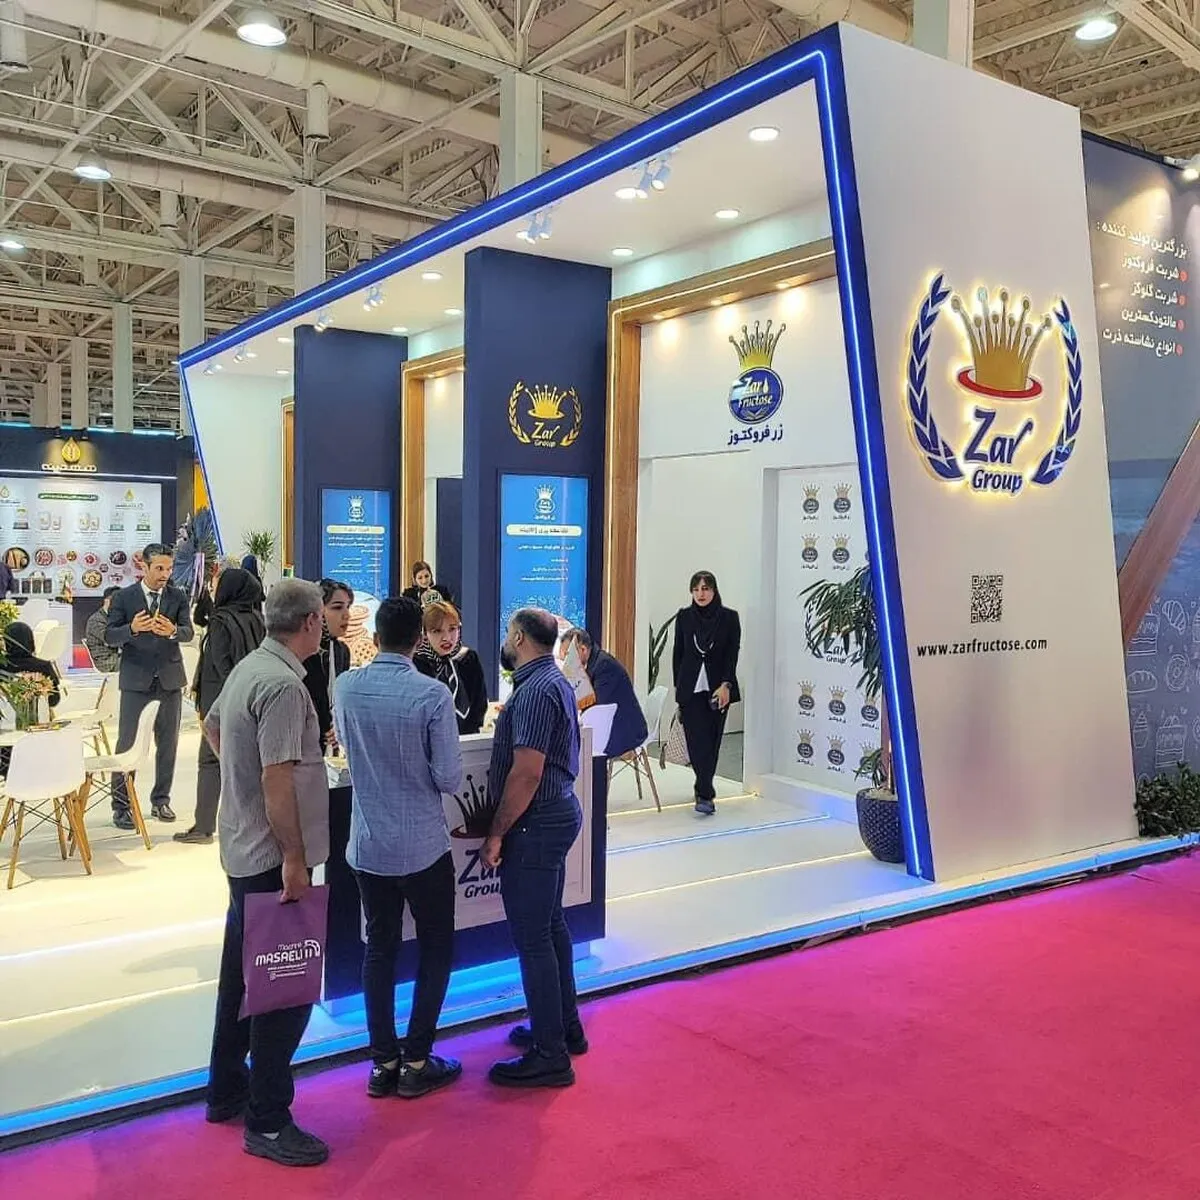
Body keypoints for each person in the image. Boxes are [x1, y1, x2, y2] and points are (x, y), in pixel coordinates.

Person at [203, 578, 330, 1168]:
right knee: (284, 991)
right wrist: (294, 858)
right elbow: (278, 779)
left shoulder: (249, 669)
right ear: (310, 623)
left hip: (242, 850)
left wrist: (240, 782)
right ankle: (269, 1120)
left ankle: (227, 1089)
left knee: (240, 979)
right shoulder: (281, 685)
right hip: (271, 862)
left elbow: (211, 725)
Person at [333, 596, 464, 1100]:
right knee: (436, 947)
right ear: (417, 640)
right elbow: (449, 777)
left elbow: (347, 750)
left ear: (376, 637)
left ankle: (383, 1061)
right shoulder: (431, 695)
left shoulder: (347, 687)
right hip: (423, 844)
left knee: (379, 948)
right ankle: (417, 1059)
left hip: (369, 845)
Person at [482, 608, 586, 1089]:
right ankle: (562, 1027)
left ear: (520, 638)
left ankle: (550, 1053)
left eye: (509, 633)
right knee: (550, 926)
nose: (506, 640)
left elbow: (526, 773)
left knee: (534, 938)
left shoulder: (535, 690)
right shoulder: (551, 682)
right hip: (553, 815)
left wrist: (497, 832)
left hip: (536, 823)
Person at [105, 542, 195, 828]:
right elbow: (109, 636)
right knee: (127, 743)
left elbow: (188, 632)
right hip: (136, 680)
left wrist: (173, 631)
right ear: (143, 566)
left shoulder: (178, 596)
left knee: (168, 743)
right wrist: (132, 629)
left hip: (169, 679)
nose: (165, 574)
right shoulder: (124, 597)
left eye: (169, 568)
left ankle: (161, 801)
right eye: (159, 568)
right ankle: (122, 805)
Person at [175, 567, 266, 847]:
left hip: (219, 702)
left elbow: (219, 663)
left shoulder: (221, 622)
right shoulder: (256, 619)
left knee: (210, 761)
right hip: (248, 699)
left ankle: (203, 826)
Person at [672, 571, 741, 817]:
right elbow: (678, 654)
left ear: (714, 590)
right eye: (696, 589)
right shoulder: (684, 617)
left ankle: (703, 791)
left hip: (718, 690)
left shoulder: (729, 618)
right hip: (690, 689)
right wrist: (679, 689)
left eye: (705, 588)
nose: (700, 594)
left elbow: (732, 655)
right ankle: (705, 791)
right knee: (696, 742)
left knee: (712, 742)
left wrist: (726, 684)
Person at [558, 628, 647, 758]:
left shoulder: (604, 666)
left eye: (567, 655)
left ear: (583, 649)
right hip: (609, 723)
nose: (566, 661)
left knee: (571, 741)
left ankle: (589, 770)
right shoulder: (593, 662)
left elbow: (597, 705)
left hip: (624, 729)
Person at [414, 601, 489, 735]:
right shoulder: (416, 663)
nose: (447, 638)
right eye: (437, 631)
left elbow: (479, 703)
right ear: (425, 633)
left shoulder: (468, 658)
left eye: (452, 629)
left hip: (467, 738)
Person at [302, 578, 352, 751]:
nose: (346, 615)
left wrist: (336, 725)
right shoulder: (302, 651)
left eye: (348, 607)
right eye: (337, 607)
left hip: (329, 742)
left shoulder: (341, 651)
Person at [0, 621, 61, 706]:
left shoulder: (2, 667)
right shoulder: (43, 666)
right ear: (31, 640)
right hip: (38, 713)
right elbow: (54, 699)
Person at [84, 586, 121, 673]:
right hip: (107, 662)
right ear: (107, 601)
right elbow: (112, 640)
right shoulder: (96, 620)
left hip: (116, 656)